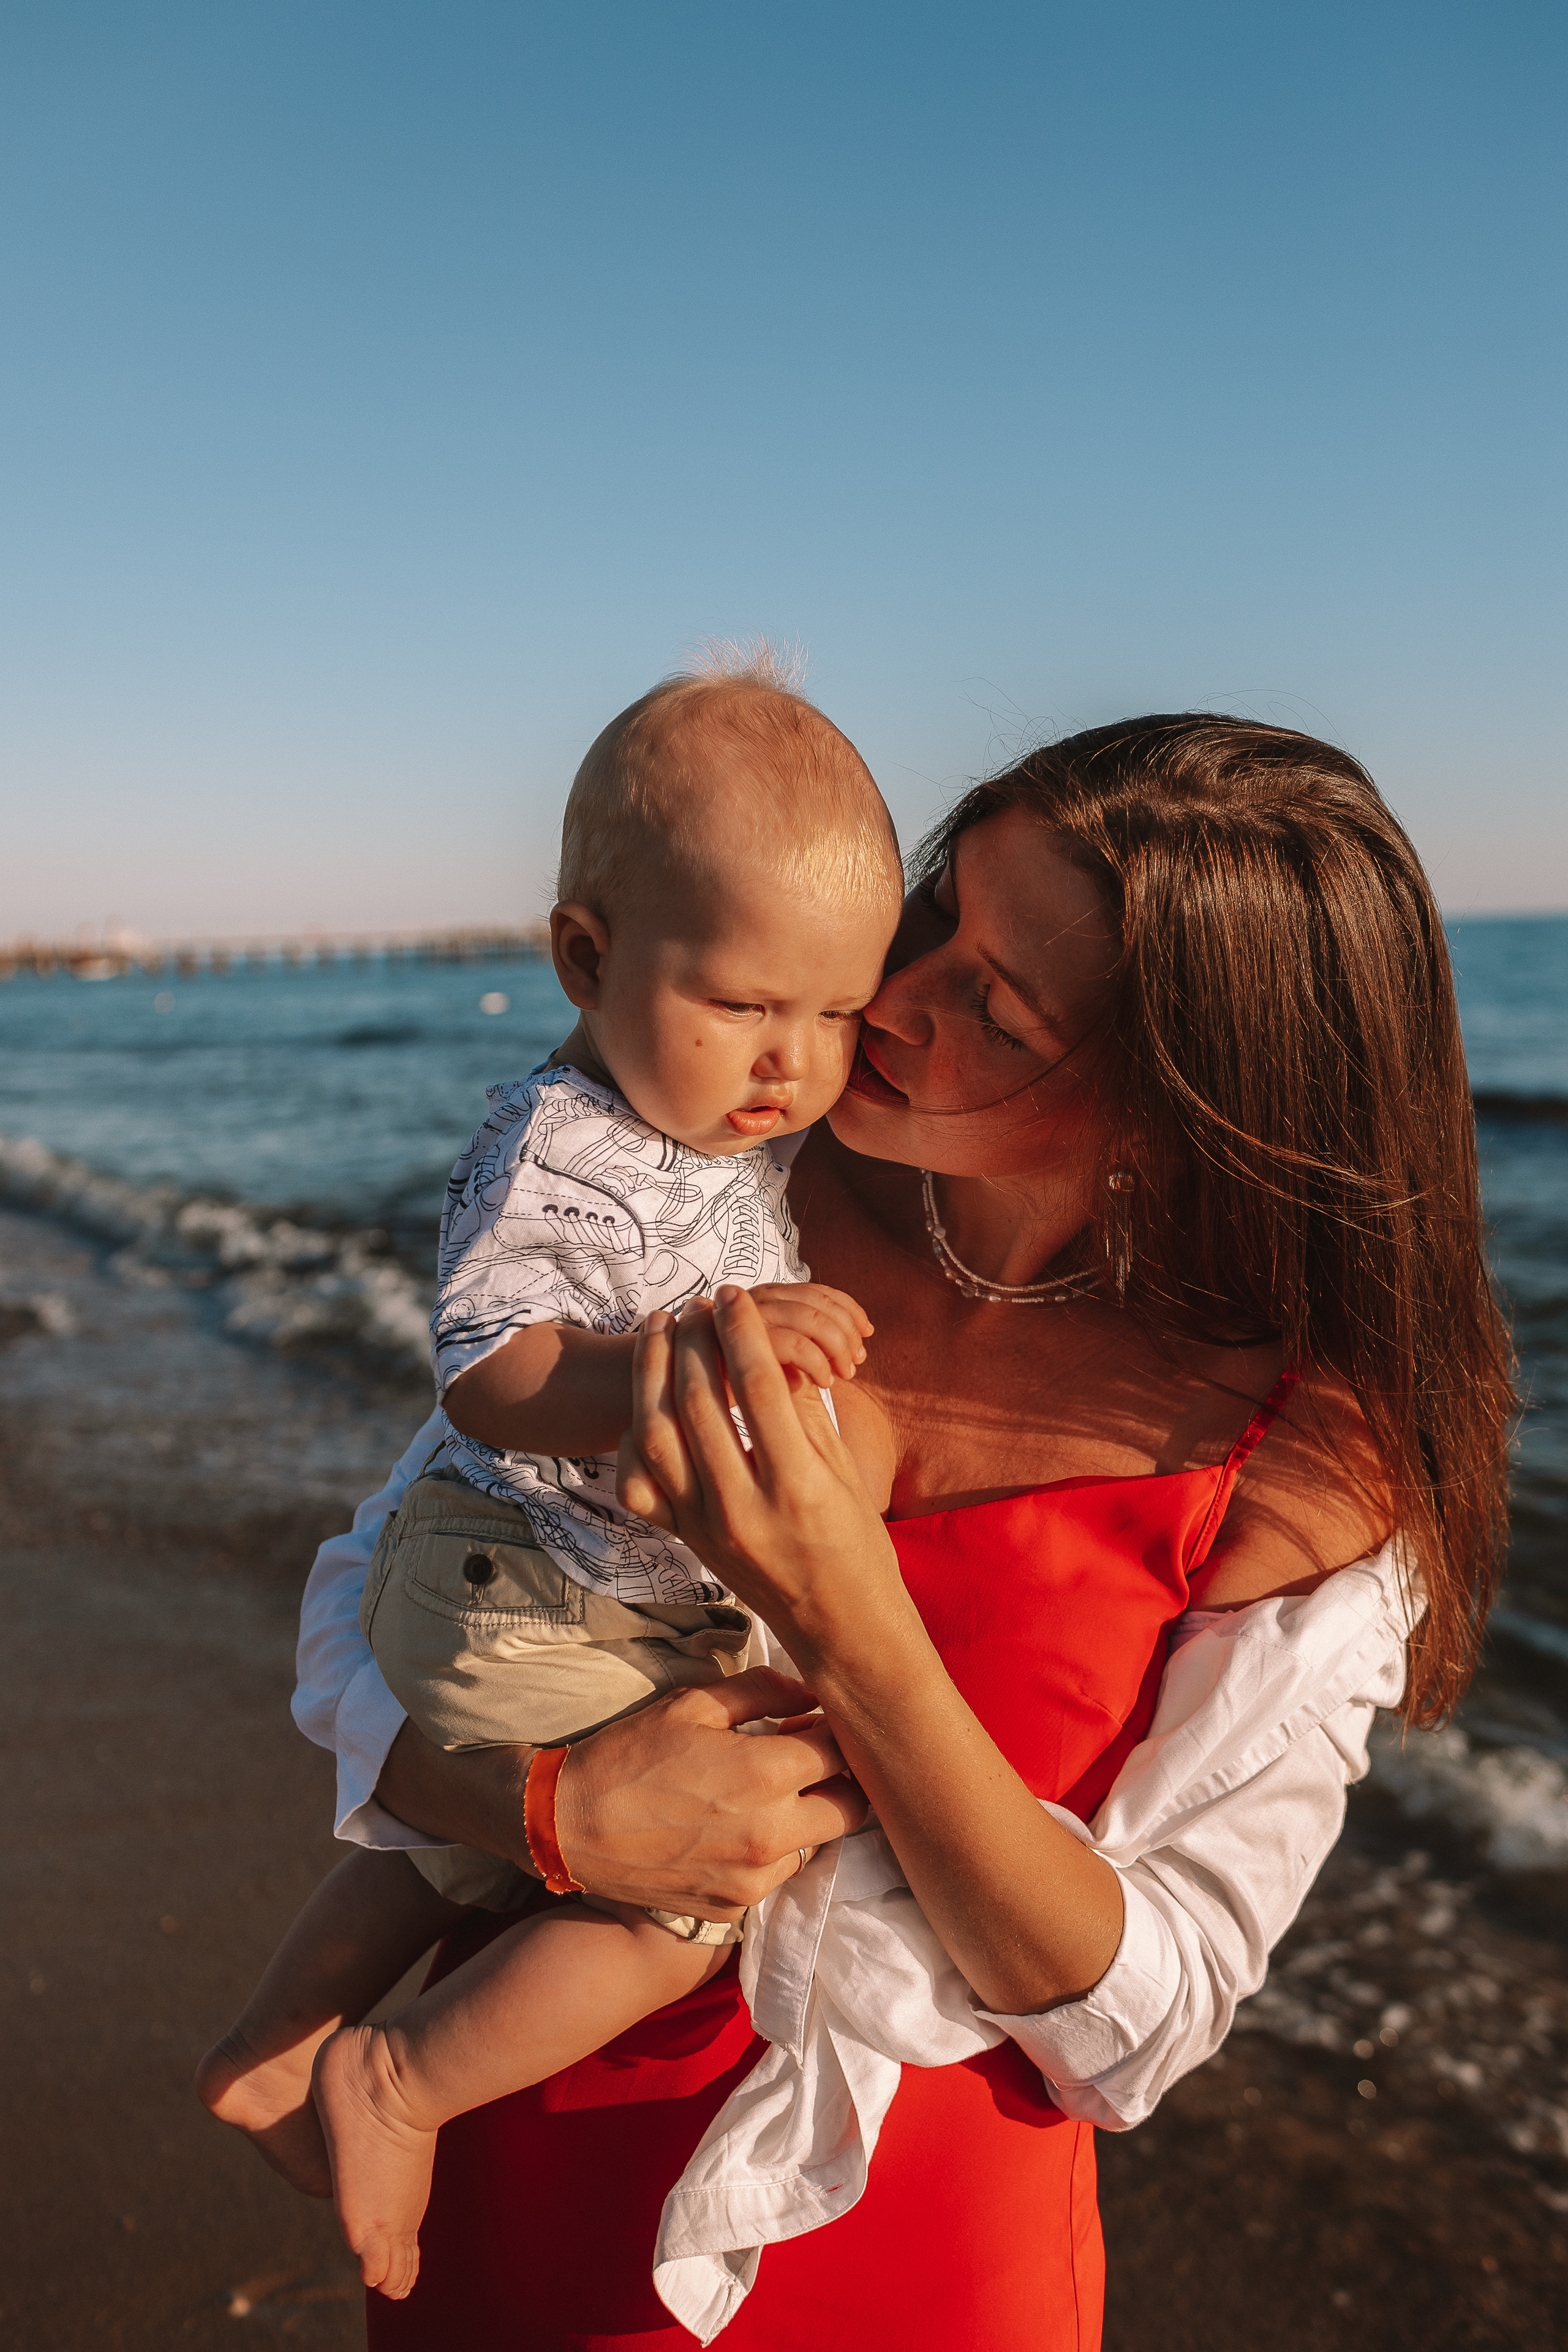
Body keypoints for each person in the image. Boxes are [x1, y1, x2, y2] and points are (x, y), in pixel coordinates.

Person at [286, 713, 1513, 2350]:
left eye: (990, 1009)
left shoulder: (1294, 1463)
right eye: (936, 916)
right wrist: (548, 1805)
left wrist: (853, 1624)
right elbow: (394, 1573)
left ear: (1176, 1106)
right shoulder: (727, 1194)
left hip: (913, 2273)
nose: (892, 1002)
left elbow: (1142, 2027)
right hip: (496, 2171)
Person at [197, 655, 904, 2299]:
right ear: (586, 958)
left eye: (838, 1010)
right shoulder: (555, 1144)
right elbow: (487, 1366)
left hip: (571, 1580)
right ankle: (402, 2076)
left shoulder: (736, 1126)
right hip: (505, 1570)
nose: (794, 1060)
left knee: (450, 1854)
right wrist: (676, 1360)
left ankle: (273, 2045)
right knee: (690, 1903)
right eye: (747, 1004)